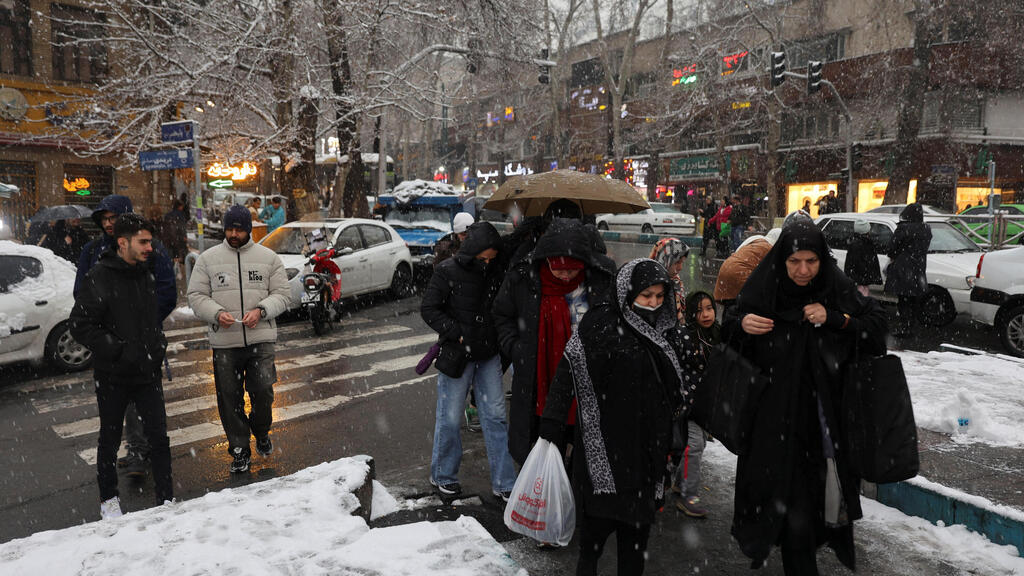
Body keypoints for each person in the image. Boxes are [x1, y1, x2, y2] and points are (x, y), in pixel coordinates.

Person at [722, 217, 887, 575]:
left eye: (811, 261)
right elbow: (727, 330)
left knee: (808, 520)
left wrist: (836, 319)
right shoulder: (764, 291)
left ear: (822, 261)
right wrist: (741, 324)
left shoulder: (834, 289)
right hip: (771, 428)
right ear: (781, 260)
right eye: (794, 262)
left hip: (822, 430)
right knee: (785, 514)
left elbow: (875, 332)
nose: (802, 270)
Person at [540, 258, 702, 576]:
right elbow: (567, 371)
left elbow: (678, 389)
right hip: (603, 452)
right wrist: (552, 423)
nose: (654, 304)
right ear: (627, 294)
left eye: (659, 296)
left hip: (646, 456)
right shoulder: (598, 326)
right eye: (646, 296)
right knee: (591, 549)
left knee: (634, 550)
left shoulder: (666, 332)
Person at [69, 214, 173, 519]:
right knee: (110, 439)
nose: (149, 248)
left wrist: (158, 345)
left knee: (159, 438)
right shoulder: (99, 276)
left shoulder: (145, 274)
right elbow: (80, 325)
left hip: (147, 373)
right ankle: (109, 501)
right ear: (122, 242)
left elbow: (151, 320)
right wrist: (116, 349)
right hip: (113, 375)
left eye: (150, 242)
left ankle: (166, 499)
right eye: (143, 242)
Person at [494, 219, 615, 468]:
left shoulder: (601, 277)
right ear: (547, 260)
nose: (565, 275)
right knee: (545, 448)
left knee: (587, 452)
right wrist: (516, 348)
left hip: (587, 380)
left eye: (572, 270)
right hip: (539, 377)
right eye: (559, 269)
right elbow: (501, 315)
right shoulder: (523, 277)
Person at [186, 205, 292, 473]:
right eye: (229, 229)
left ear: (248, 229)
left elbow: (283, 294)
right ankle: (239, 450)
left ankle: (262, 430)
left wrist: (262, 310)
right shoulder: (208, 260)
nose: (234, 234)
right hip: (225, 343)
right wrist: (216, 313)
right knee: (229, 399)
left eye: (239, 229)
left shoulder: (268, 258)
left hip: (261, 341)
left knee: (263, 395)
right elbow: (196, 296)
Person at [420, 221, 518, 501]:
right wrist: (458, 333)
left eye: (491, 257)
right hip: (458, 355)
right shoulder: (447, 270)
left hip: (488, 354)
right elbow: (429, 309)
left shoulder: (499, 272)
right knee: (449, 418)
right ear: (472, 252)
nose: (487, 262)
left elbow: (504, 310)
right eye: (482, 257)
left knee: (496, 418)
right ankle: (443, 475)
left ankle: (504, 482)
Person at [674, 290, 720, 519]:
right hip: (688, 402)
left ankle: (679, 482)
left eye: (709, 308)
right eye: (699, 310)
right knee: (695, 445)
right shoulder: (683, 335)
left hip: (706, 402)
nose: (705, 314)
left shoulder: (717, 333)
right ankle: (688, 496)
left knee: (698, 442)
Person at [885, 202, 931, 337]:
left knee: (903, 300)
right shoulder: (926, 229)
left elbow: (892, 248)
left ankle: (905, 327)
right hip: (919, 268)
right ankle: (912, 327)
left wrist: (895, 255)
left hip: (903, 268)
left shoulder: (903, 228)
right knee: (913, 300)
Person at [649, 237, 689, 324]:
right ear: (664, 260)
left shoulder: (676, 281)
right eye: (677, 263)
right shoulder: (652, 287)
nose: (680, 268)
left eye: (682, 263)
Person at [845, 219, 882, 297]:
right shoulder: (864, 244)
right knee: (861, 298)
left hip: (859, 280)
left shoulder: (858, 243)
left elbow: (850, 265)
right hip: (860, 280)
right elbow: (861, 263)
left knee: (861, 297)